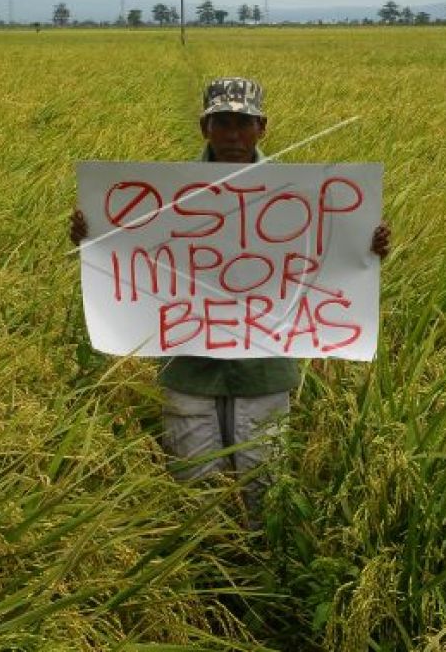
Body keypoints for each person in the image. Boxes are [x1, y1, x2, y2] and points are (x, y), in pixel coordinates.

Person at [70, 77, 390, 516]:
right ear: (205, 127)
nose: (234, 135)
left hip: (263, 370)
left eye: (244, 122)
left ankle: (261, 566)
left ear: (263, 126)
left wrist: (365, 246)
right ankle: (206, 574)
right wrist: (94, 234)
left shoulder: (298, 193)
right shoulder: (168, 195)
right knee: (195, 493)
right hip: (189, 370)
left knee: (264, 489)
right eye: (223, 122)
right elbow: (126, 245)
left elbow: (328, 255)